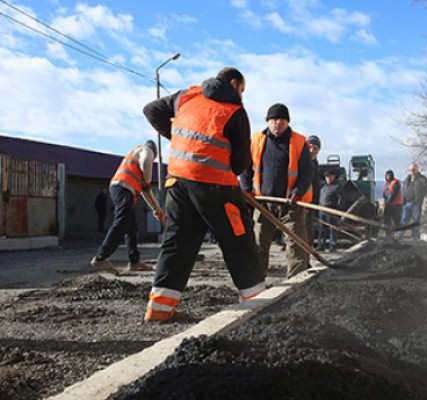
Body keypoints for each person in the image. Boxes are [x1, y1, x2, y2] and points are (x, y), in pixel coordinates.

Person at [141, 67, 267, 322]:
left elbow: (151, 110)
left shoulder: (186, 96)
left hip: (177, 182)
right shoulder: (234, 111)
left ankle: (159, 309)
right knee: (238, 239)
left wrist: (176, 137)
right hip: (215, 187)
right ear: (234, 84)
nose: (242, 95)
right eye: (242, 90)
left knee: (178, 241)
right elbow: (240, 163)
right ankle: (257, 302)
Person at [242, 103, 313, 279]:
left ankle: (297, 284)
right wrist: (247, 191)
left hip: (290, 205)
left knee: (296, 245)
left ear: (287, 122)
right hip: (263, 203)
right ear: (267, 121)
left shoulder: (298, 141)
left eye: (281, 120)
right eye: (273, 119)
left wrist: (297, 193)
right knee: (259, 243)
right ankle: (257, 283)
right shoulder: (257, 140)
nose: (277, 123)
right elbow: (246, 168)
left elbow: (306, 172)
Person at [90, 141, 165, 275]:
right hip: (122, 188)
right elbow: (147, 160)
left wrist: (157, 209)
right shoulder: (145, 150)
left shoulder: (136, 165)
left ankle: (134, 262)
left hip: (123, 190)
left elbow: (146, 192)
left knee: (132, 228)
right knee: (122, 222)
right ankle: (101, 257)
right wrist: (147, 181)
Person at [400, 162, 427, 238]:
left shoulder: (422, 179)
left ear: (417, 170)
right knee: (404, 220)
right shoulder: (407, 179)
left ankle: (415, 237)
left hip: (416, 203)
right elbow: (404, 189)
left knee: (415, 220)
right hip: (406, 203)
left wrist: (420, 197)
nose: (411, 171)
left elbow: (426, 189)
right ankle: (399, 236)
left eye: (413, 170)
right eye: (410, 170)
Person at [317, 169, 342, 252]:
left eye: (330, 177)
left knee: (333, 229)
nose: (328, 179)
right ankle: (321, 245)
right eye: (327, 177)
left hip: (332, 210)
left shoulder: (337, 186)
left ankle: (333, 246)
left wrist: (337, 209)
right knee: (322, 229)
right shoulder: (323, 187)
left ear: (334, 177)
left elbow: (341, 199)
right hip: (322, 210)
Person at [305, 135, 321, 249]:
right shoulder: (301, 160)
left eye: (315, 148)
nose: (312, 150)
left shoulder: (315, 163)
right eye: (310, 147)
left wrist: (315, 204)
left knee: (309, 231)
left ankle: (307, 258)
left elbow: (315, 185)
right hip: (298, 201)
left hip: (309, 203)